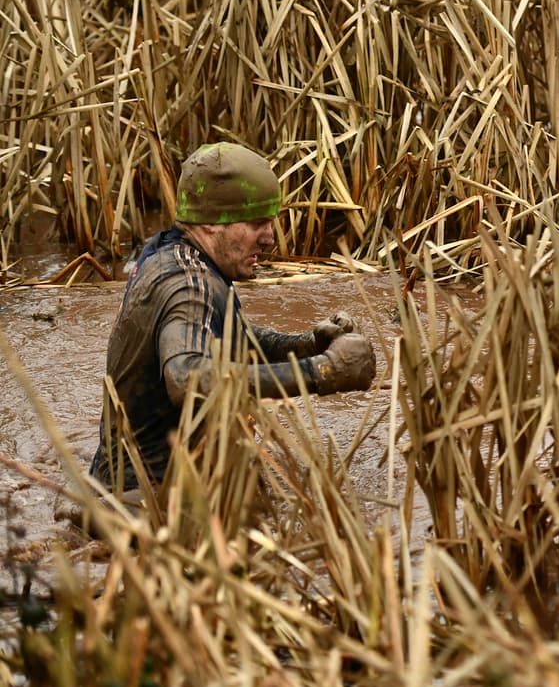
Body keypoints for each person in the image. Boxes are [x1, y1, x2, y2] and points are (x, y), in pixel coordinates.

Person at [85, 141, 377, 498]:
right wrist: (323, 372)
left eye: (270, 223)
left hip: (119, 479)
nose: (270, 238)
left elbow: (225, 341)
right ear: (211, 224)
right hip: (153, 496)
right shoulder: (189, 287)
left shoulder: (166, 254)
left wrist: (307, 344)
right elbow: (187, 377)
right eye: (257, 224)